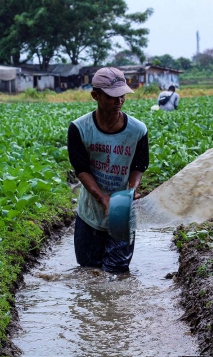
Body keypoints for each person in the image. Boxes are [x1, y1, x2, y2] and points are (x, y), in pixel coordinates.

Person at [67, 67, 149, 274]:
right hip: (89, 212)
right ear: (95, 95)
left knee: (117, 273)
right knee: (89, 271)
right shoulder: (79, 128)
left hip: (122, 210)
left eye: (122, 96)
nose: (118, 101)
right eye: (112, 97)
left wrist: (129, 192)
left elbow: (138, 166)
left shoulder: (138, 130)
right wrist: (103, 198)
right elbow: (81, 168)